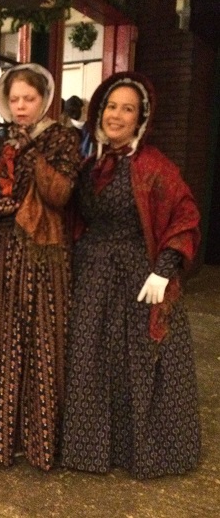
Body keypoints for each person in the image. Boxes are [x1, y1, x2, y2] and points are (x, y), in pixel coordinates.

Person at [61, 71, 201, 479]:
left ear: (140, 119)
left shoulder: (154, 165)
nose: (116, 115)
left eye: (128, 109)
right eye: (110, 107)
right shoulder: (89, 165)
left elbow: (185, 215)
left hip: (139, 277)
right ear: (98, 111)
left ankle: (144, 451)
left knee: (139, 365)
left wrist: (163, 270)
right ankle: (90, 450)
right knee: (89, 361)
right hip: (91, 275)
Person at [0, 64, 80, 471]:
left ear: (45, 100)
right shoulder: (6, 141)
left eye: (30, 99)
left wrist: (34, 152)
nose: (21, 107)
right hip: (5, 252)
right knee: (5, 343)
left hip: (44, 253)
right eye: (15, 99)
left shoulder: (61, 138)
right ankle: (6, 438)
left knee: (41, 343)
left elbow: (60, 194)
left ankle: (39, 442)